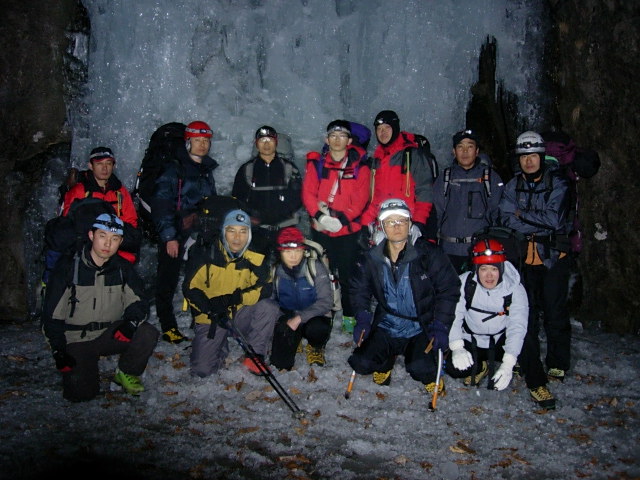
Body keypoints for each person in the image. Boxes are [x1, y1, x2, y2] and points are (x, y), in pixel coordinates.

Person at [41, 213, 158, 402]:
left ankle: (126, 371)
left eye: (114, 239)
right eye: (102, 236)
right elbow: (51, 315)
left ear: (120, 242)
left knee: (146, 333)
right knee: (82, 395)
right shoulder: (69, 267)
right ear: (91, 235)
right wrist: (58, 350)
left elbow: (139, 302)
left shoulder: (122, 268)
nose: (107, 244)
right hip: (77, 339)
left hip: (108, 333)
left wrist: (130, 324)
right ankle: (82, 367)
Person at [347, 198, 460, 395]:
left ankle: (430, 374)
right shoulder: (372, 257)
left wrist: (440, 325)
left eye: (402, 220)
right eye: (390, 221)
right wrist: (363, 317)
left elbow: (448, 289)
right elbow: (358, 289)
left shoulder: (428, 254)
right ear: (382, 226)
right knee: (361, 362)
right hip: (387, 323)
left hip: (420, 325)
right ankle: (385, 363)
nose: (397, 226)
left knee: (420, 367)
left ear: (410, 223)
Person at [499, 130, 573, 384]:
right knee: (524, 313)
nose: (528, 161)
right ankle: (526, 359)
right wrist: (528, 221)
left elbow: (554, 220)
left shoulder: (559, 183)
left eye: (532, 156)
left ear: (541, 157)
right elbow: (505, 218)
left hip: (552, 257)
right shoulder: (513, 185)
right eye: (523, 157)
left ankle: (558, 362)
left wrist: (521, 215)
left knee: (554, 312)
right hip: (523, 258)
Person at [447, 238, 556, 409]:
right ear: (476, 269)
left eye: (494, 269)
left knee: (527, 340)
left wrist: (508, 362)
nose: (489, 275)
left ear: (502, 268)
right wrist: (456, 347)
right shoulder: (464, 283)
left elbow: (517, 326)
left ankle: (537, 384)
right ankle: (480, 366)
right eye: (483, 269)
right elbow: (453, 316)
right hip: (472, 338)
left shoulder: (514, 289)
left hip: (500, 341)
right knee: (454, 368)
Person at [182, 209, 278, 378]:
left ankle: (255, 356)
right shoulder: (205, 253)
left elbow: (265, 287)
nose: (237, 237)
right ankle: (219, 346)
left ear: (249, 234)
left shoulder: (254, 257)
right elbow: (190, 289)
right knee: (202, 370)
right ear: (224, 232)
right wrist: (210, 307)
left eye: (243, 231)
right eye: (231, 231)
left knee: (268, 307)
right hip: (211, 317)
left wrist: (236, 298)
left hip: (238, 312)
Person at [150, 120, 218, 344]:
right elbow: (161, 204)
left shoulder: (206, 170)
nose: (202, 145)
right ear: (187, 142)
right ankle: (168, 326)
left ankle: (199, 321)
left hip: (197, 233)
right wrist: (169, 237)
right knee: (167, 280)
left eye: (206, 141)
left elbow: (210, 202)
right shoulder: (173, 169)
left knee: (198, 278)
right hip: (174, 233)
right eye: (197, 140)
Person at [302, 120, 370, 330]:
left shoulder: (360, 167)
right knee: (321, 274)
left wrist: (340, 220)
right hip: (321, 230)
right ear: (327, 139)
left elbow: (361, 199)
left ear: (349, 141)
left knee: (349, 276)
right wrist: (321, 218)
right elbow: (308, 193)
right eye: (333, 136)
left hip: (347, 232)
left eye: (342, 136)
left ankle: (349, 316)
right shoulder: (317, 165)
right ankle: (324, 315)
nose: (337, 140)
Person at [433, 129, 505, 273]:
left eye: (470, 146)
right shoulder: (444, 178)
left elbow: (498, 214)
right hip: (449, 250)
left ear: (477, 151)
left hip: (480, 250)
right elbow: (436, 214)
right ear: (454, 151)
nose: (465, 151)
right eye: (460, 147)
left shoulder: (491, 177)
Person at [360, 110, 437, 242]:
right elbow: (376, 199)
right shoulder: (377, 160)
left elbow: (424, 191)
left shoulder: (412, 155)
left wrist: (418, 223)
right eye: (379, 129)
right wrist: (364, 224)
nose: (383, 132)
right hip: (386, 226)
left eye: (387, 128)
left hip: (408, 224)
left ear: (395, 128)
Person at [268, 227, 333, 370]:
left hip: (314, 316)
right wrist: (280, 323)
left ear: (303, 251)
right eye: (288, 252)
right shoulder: (275, 271)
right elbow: (271, 300)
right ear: (280, 252)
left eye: (297, 251)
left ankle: (315, 347)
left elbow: (326, 302)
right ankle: (294, 339)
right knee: (280, 364)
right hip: (288, 314)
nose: (293, 256)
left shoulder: (315, 267)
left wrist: (299, 318)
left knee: (318, 328)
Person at [232, 125, 302, 257]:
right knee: (257, 266)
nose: (266, 144)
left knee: (285, 266)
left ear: (276, 142)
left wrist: (280, 215)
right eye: (262, 140)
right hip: (257, 231)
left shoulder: (289, 168)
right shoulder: (246, 169)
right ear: (256, 144)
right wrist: (253, 215)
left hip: (285, 229)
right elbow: (237, 198)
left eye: (270, 140)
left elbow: (298, 197)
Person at [62, 146, 140, 263]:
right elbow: (68, 222)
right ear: (90, 166)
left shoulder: (120, 192)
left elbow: (131, 222)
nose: (105, 168)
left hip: (115, 246)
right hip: (87, 245)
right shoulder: (79, 191)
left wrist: (114, 240)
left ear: (113, 166)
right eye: (99, 164)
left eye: (108, 163)